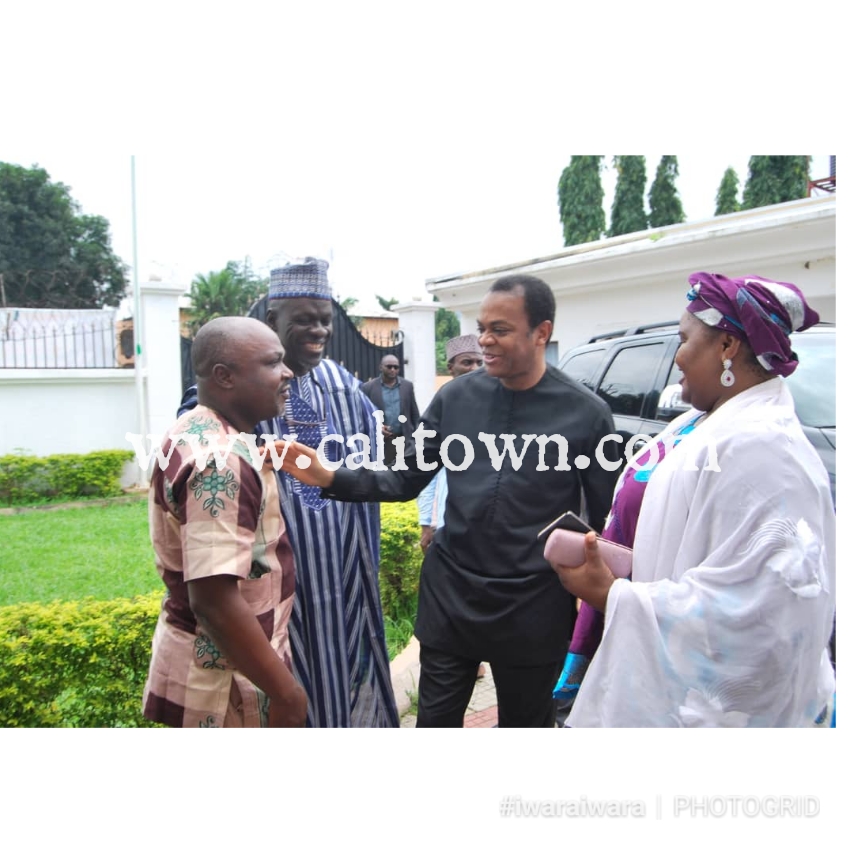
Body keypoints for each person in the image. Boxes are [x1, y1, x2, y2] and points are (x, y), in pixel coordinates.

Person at [278, 274, 619, 727]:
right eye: (482, 328)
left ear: (542, 332)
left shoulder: (587, 414)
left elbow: (603, 519)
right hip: (453, 596)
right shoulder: (456, 397)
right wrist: (329, 476)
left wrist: (595, 599)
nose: (485, 340)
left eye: (500, 329)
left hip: (533, 607)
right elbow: (406, 477)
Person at [550, 271, 836, 727]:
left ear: (727, 346)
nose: (676, 357)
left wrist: (612, 595)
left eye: (684, 340)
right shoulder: (699, 423)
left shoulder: (764, 449)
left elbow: (762, 614)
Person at [179, 257, 398, 728]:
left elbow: (373, 466)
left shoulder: (343, 385)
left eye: (325, 319)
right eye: (304, 319)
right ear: (272, 320)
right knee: (284, 686)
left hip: (343, 570)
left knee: (349, 675)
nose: (319, 330)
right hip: (276, 580)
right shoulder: (227, 398)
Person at [142, 316, 307, 728]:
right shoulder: (220, 461)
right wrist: (287, 695)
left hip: (215, 669)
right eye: (272, 362)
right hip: (226, 687)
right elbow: (213, 600)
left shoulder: (195, 428)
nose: (287, 372)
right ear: (224, 376)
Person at [415, 333, 487, 680]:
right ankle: (461, 659)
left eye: (478, 361)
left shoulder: (495, 404)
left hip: (483, 524)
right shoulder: (441, 408)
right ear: (451, 367)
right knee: (449, 595)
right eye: (466, 362)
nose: (474, 368)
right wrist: (425, 522)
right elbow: (424, 473)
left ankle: (479, 655)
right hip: (446, 522)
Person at [361, 353, 421, 462]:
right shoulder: (368, 388)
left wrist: (416, 437)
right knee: (385, 471)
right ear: (381, 367)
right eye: (389, 367)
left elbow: (414, 414)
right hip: (382, 442)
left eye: (396, 367)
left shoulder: (407, 386)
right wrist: (376, 428)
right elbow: (363, 416)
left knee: (406, 470)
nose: (393, 369)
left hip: (405, 440)